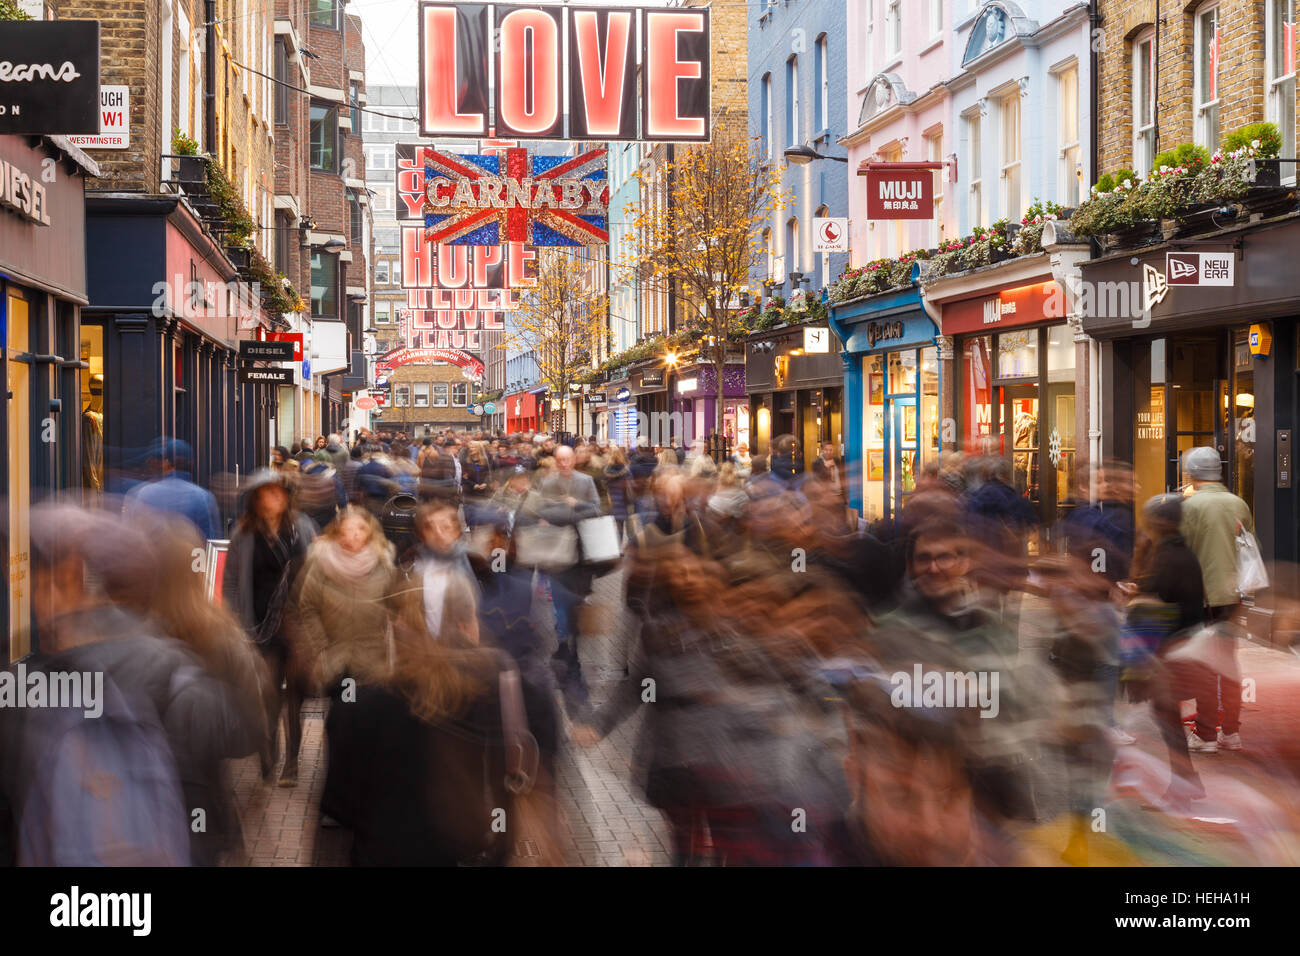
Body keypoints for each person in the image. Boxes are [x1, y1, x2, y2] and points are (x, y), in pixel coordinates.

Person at [296, 508, 399, 828]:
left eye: (359, 530)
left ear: (369, 533)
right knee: (341, 730)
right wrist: (322, 647)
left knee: (368, 729)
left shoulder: (383, 563)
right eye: (347, 530)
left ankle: (366, 797)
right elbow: (307, 606)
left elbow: (395, 607)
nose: (353, 537)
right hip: (338, 662)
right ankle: (337, 805)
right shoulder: (321, 562)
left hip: (372, 662)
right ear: (337, 532)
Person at [223, 470, 317, 786]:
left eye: (279, 493)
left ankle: (292, 762)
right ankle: (269, 752)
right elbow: (233, 581)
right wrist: (235, 620)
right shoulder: (244, 534)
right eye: (266, 493)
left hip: (295, 623)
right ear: (256, 499)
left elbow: (314, 574)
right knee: (268, 694)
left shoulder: (301, 529)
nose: (274, 498)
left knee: (296, 696)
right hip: (259, 622)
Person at [1179, 445, 1255, 752]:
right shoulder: (1238, 503)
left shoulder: (1190, 507)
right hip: (1232, 595)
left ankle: (1207, 733)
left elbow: (1183, 551)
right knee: (1228, 661)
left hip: (1203, 596)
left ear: (1192, 473)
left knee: (1205, 665)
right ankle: (1231, 732)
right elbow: (1249, 544)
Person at [522, 444, 602, 718]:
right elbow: (541, 513)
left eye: (568, 459)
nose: (565, 464)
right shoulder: (547, 482)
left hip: (581, 555)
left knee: (577, 600)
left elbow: (596, 510)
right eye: (560, 460)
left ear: (574, 460)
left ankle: (570, 641)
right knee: (560, 602)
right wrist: (565, 514)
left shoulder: (586, 481)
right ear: (555, 461)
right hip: (556, 554)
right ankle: (566, 644)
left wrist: (574, 506)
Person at [124, 437, 223, 540]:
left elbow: (130, 538)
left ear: (166, 463)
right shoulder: (204, 497)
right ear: (192, 463)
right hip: (190, 555)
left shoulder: (141, 493)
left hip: (151, 556)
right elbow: (212, 544)